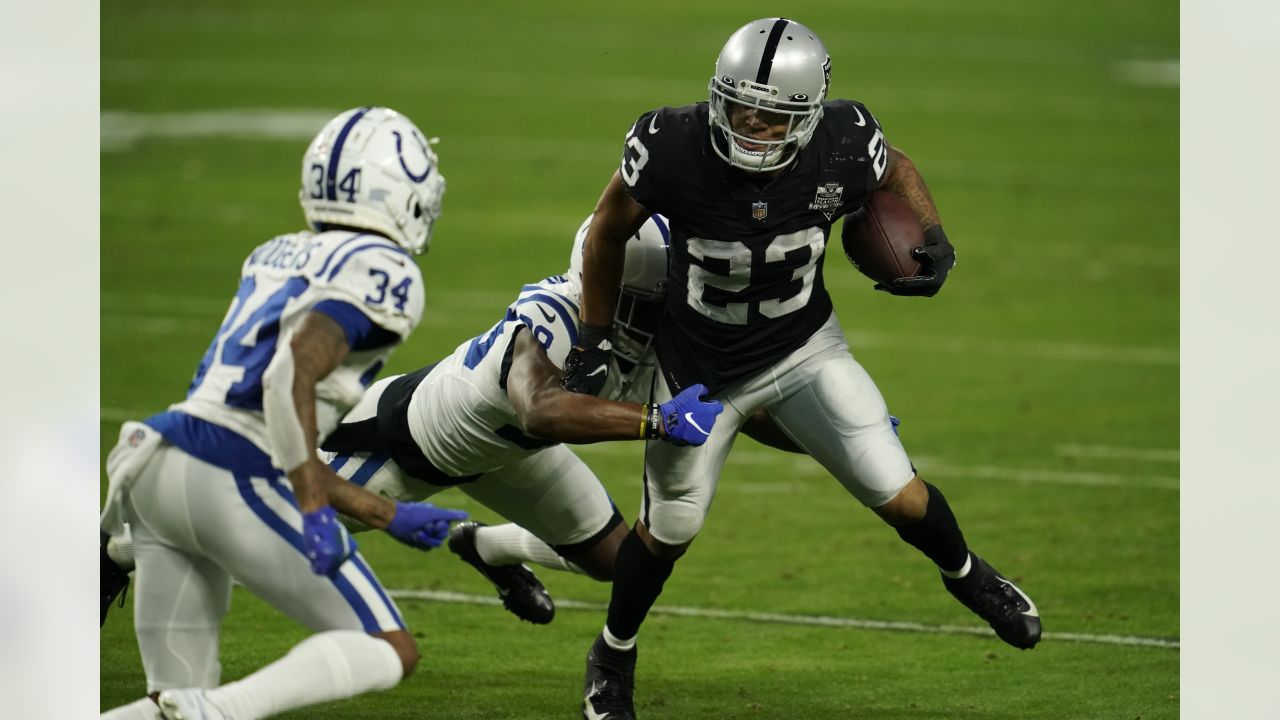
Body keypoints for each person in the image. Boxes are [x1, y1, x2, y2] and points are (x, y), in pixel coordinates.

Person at [563, 18, 1042, 719]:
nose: (751, 124)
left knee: (897, 491)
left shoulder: (844, 139)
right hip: (700, 368)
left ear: (808, 115)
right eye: (739, 106)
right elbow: (608, 228)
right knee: (669, 531)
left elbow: (897, 166)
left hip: (804, 347)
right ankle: (613, 652)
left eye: (772, 113)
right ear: (716, 96)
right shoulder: (670, 146)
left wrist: (932, 233)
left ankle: (969, 575)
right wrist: (592, 336)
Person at [99, 106, 471, 720]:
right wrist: (312, 508)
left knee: (171, 705)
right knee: (389, 648)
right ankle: (226, 709)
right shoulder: (385, 269)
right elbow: (285, 380)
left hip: (157, 463)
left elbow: (277, 427)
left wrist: (386, 513)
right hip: (231, 477)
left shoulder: (274, 253)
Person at [315, 213, 725, 625]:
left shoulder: (653, 339)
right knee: (279, 523)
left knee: (622, 561)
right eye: (646, 304)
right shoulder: (553, 317)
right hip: (407, 445)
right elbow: (540, 411)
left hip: (512, 451)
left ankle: (484, 546)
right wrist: (657, 420)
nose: (659, 318)